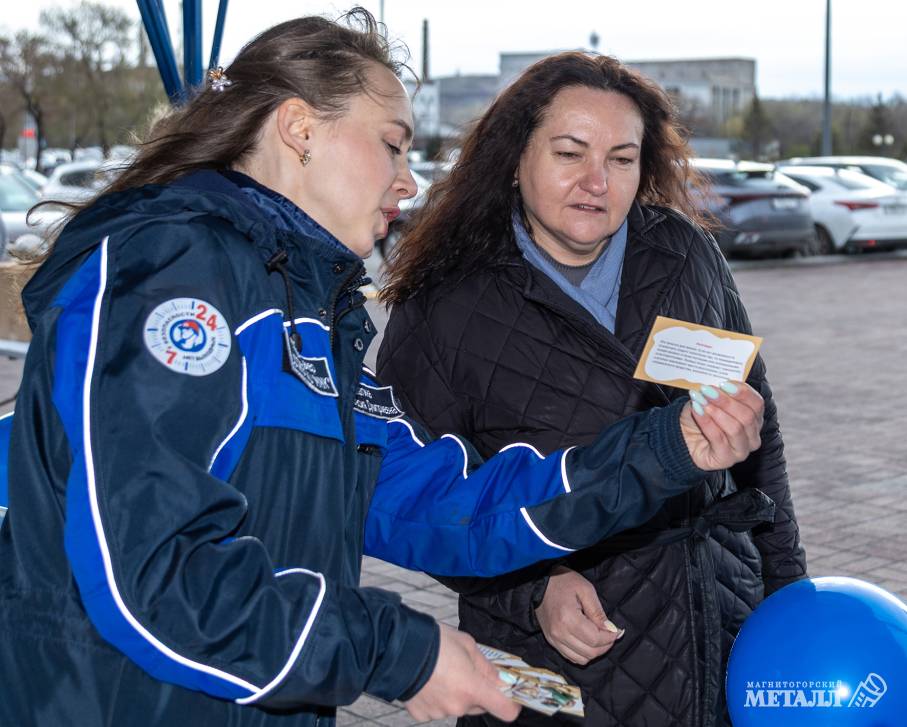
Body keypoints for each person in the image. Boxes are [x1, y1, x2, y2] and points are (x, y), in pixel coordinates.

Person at [0, 15, 765, 727]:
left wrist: (666, 448)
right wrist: (397, 651)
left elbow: (442, 501)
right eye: (392, 145)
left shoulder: (312, 312)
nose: (407, 179)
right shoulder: (173, 270)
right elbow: (159, 578)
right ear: (299, 129)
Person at [379, 52, 807, 726]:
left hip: (718, 631)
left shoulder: (685, 255)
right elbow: (416, 499)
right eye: (570, 152)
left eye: (621, 158)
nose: (595, 182)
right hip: (566, 666)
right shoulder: (445, 303)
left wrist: (789, 594)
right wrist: (530, 588)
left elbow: (761, 438)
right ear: (516, 158)